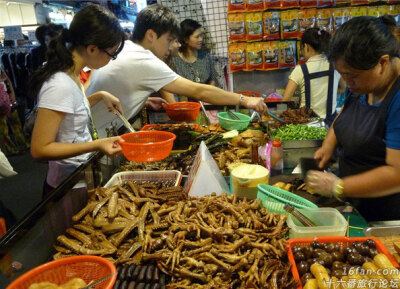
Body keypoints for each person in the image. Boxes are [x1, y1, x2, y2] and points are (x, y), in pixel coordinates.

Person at [87, 4, 267, 138]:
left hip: (90, 133)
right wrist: (244, 99)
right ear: (151, 35)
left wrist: (145, 100)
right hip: (93, 142)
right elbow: (199, 91)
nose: (171, 47)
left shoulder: (127, 48)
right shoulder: (144, 60)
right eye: (168, 40)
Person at [306, 16, 400, 222]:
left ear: (382, 62)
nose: (348, 83)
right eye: (342, 75)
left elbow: (396, 174)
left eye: (352, 76)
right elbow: (344, 114)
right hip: (355, 203)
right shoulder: (363, 83)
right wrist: (328, 145)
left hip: (386, 217)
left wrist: (338, 186)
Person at [29, 5, 126, 193]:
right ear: (92, 48)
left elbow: (69, 113)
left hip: (79, 177)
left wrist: (99, 96)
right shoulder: (60, 84)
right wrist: (97, 144)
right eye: (111, 54)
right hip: (65, 187)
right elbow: (39, 149)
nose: (111, 60)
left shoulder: (72, 75)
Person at [282, 28, 344, 126]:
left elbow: (285, 100)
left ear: (306, 47)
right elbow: (343, 88)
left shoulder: (300, 70)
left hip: (307, 126)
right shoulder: (334, 66)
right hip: (331, 125)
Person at [173, 19, 219, 87]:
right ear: (186, 39)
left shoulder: (205, 56)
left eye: (201, 36)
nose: (201, 39)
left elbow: (212, 79)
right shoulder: (175, 61)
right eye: (197, 37)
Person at [0, 67, 29, 155]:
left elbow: (8, 80)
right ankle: (11, 150)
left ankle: (23, 144)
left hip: (7, 98)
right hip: (2, 102)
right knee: (3, 129)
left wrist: (12, 94)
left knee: (16, 123)